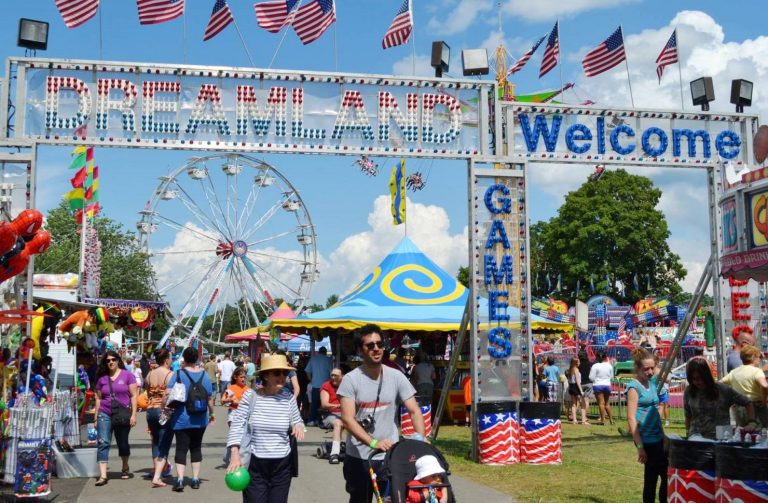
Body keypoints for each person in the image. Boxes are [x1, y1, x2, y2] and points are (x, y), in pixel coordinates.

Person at [338, 324, 426, 503]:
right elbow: (347, 419)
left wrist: (420, 440)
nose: (376, 349)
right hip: (359, 457)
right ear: (360, 350)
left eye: (379, 344)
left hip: (390, 457)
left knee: (392, 499)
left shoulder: (396, 376)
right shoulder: (350, 380)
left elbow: (414, 410)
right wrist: (373, 442)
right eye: (370, 345)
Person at [226, 353, 305, 503]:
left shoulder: (288, 397)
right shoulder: (251, 396)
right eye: (277, 373)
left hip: (282, 465)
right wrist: (235, 453)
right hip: (255, 465)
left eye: (285, 373)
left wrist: (299, 425)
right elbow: (237, 425)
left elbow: (297, 419)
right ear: (266, 376)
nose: (282, 376)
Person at [167, 347, 215, 492]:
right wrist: (212, 414)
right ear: (196, 359)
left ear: (184, 359)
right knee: (196, 447)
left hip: (181, 417)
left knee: (181, 448)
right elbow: (210, 399)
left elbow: (168, 394)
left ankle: (180, 479)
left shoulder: (178, 374)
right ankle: (195, 479)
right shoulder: (205, 376)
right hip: (200, 418)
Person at [625, 347, 666, 503]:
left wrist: (663, 436)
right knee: (651, 479)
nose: (650, 371)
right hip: (647, 441)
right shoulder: (634, 387)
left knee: (666, 476)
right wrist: (640, 447)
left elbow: (655, 413)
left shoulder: (652, 383)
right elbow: (631, 418)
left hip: (658, 438)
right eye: (646, 369)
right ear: (637, 368)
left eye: (652, 368)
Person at [93, 350, 138, 486]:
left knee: (122, 443)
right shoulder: (102, 379)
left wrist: (134, 414)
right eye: (108, 361)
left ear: (118, 360)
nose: (111, 362)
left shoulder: (128, 376)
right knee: (103, 442)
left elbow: (134, 395)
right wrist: (96, 417)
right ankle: (103, 475)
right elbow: (98, 398)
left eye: (113, 359)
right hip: (104, 412)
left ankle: (125, 465)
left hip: (122, 413)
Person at [684, 357, 755, 439]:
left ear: (706, 376)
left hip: (722, 435)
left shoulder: (722, 389)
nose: (697, 382)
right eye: (694, 379)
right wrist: (687, 433)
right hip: (697, 436)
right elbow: (688, 416)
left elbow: (747, 402)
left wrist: (751, 422)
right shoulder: (689, 391)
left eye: (700, 378)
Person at [145, 348, 174, 488]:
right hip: (163, 411)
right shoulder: (169, 374)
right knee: (164, 443)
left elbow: (146, 391)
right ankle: (158, 475)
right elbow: (169, 395)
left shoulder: (150, 374)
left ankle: (156, 469)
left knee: (155, 441)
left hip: (150, 410)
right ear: (167, 359)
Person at [721, 344, 768, 427]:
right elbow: (764, 386)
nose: (759, 360)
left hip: (739, 409)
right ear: (754, 358)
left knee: (742, 434)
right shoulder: (757, 371)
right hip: (755, 407)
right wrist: (764, 401)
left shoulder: (734, 372)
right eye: (758, 357)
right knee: (759, 434)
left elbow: (720, 383)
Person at [222, 367, 249, 464]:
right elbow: (222, 400)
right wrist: (230, 400)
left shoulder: (247, 389)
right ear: (235, 377)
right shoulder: (231, 388)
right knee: (235, 435)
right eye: (241, 377)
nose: (243, 379)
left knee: (241, 437)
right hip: (233, 414)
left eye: (244, 377)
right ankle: (230, 457)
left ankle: (231, 456)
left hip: (244, 415)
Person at [319, 368, 345, 464]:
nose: (333, 377)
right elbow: (324, 404)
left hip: (345, 413)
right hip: (330, 414)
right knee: (338, 423)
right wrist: (338, 405)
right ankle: (334, 454)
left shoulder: (347, 385)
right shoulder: (326, 385)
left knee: (359, 423)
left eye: (336, 376)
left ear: (342, 376)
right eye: (332, 375)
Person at [305, 346, 333, 426]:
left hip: (315, 385)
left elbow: (307, 371)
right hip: (326, 386)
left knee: (314, 404)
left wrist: (311, 380)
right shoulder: (328, 360)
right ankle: (322, 421)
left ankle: (312, 420)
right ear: (325, 352)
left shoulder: (313, 359)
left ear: (319, 352)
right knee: (324, 405)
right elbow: (332, 373)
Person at [589, 352, 615, 425]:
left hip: (598, 385)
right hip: (607, 385)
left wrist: (595, 380)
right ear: (605, 358)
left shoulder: (595, 366)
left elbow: (591, 377)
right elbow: (612, 377)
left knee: (601, 403)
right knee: (607, 403)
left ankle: (603, 420)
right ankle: (611, 419)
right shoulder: (609, 366)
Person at [566, 357, 588, 425]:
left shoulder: (570, 369)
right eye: (578, 362)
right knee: (583, 404)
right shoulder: (576, 370)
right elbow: (578, 382)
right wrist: (581, 391)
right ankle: (583, 421)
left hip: (571, 387)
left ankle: (574, 420)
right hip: (576, 387)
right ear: (575, 363)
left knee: (574, 404)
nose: (579, 363)